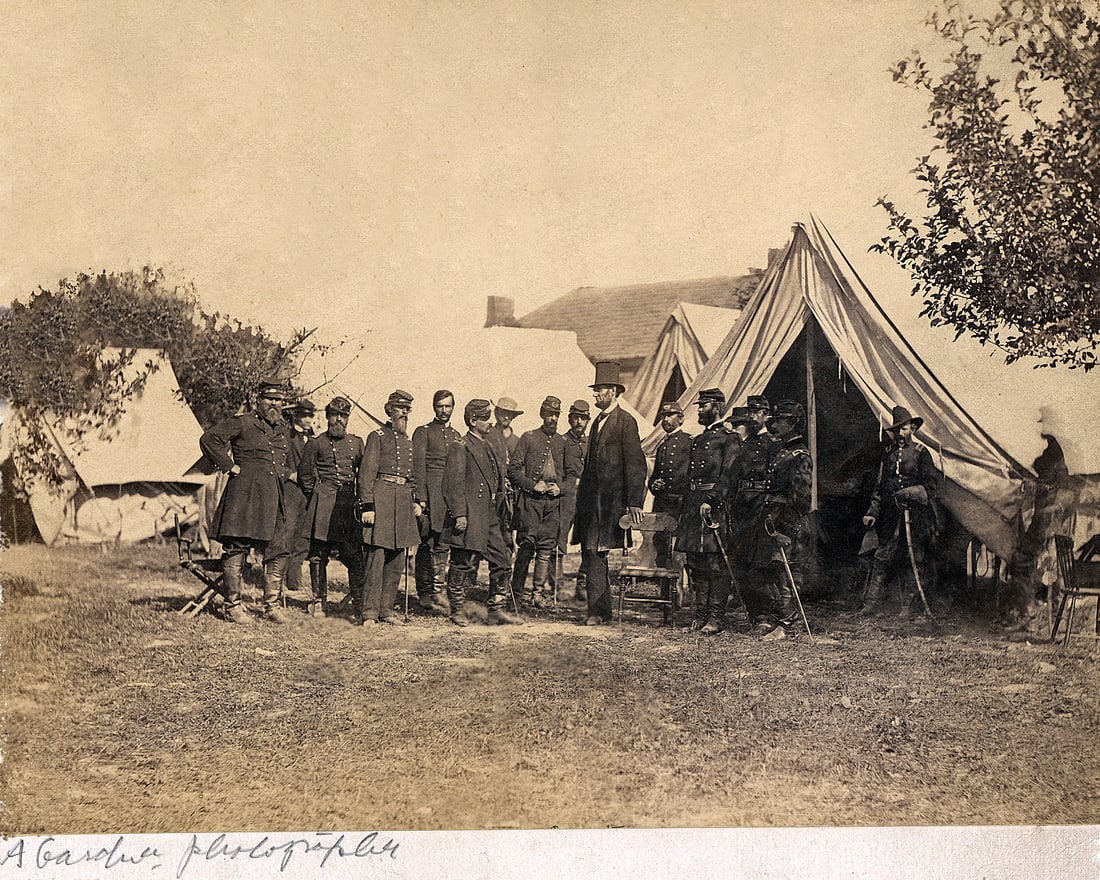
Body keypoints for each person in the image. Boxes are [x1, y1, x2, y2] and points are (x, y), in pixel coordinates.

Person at [199, 379, 292, 624]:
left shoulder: (282, 429)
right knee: (236, 548)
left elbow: (280, 463)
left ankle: (271, 606)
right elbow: (209, 439)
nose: (274, 404)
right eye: (269, 399)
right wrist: (229, 465)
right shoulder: (243, 422)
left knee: (279, 549)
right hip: (244, 497)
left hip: (272, 498)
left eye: (278, 400)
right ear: (258, 400)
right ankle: (233, 607)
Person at [571, 361, 647, 626]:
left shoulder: (625, 422)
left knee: (596, 552)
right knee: (591, 552)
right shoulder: (596, 422)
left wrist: (634, 502)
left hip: (610, 503)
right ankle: (600, 611)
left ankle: (597, 612)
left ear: (613, 391)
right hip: (590, 502)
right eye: (595, 390)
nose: (595, 394)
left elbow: (636, 464)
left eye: (599, 389)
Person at [441, 399, 521, 626]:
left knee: (502, 559)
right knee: (462, 562)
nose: (490, 422)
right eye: (485, 418)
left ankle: (496, 610)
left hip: (490, 515)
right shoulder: (461, 446)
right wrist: (459, 514)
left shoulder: (488, 445)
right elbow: (452, 484)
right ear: (473, 420)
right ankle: (457, 610)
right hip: (470, 515)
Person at [861, 405, 939, 619]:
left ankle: (907, 606)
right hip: (890, 515)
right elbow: (880, 487)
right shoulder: (888, 454)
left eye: (903, 429)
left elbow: (931, 488)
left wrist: (911, 492)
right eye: (896, 430)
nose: (900, 434)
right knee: (882, 556)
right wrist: (872, 512)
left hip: (915, 515)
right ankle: (871, 603)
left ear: (912, 429)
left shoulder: (922, 453)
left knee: (912, 557)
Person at [676, 389, 739, 634]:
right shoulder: (698, 439)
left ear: (717, 407)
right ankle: (700, 616)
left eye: (704, 406)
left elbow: (729, 475)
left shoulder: (729, 438)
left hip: (714, 507)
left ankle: (715, 618)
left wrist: (712, 500)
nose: (700, 410)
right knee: (696, 563)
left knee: (716, 564)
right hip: (694, 507)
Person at [357, 390, 422, 626]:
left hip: (402, 503)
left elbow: (412, 477)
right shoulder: (377, 436)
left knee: (396, 560)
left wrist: (416, 501)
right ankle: (369, 613)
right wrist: (368, 506)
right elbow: (366, 474)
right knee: (376, 560)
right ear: (389, 410)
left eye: (407, 409)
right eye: (400, 408)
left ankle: (386, 610)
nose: (404, 413)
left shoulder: (408, 441)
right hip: (381, 500)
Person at [298, 397, 365, 617]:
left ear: (348, 418)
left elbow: (364, 474)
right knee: (319, 555)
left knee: (353, 555)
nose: (338, 420)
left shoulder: (357, 443)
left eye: (343, 415)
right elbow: (305, 476)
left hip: (347, 506)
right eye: (334, 414)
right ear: (327, 417)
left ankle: (359, 602)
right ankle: (319, 601)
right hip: (324, 505)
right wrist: (318, 496)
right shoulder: (316, 443)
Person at [724, 397, 784, 636]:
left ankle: (767, 617)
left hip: (761, 508)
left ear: (766, 416)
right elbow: (733, 476)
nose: (751, 416)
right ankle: (754, 615)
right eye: (749, 412)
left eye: (756, 412)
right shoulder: (745, 444)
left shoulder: (774, 444)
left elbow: (778, 480)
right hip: (741, 509)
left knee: (759, 564)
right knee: (740, 563)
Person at [757, 400, 814, 639]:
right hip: (774, 519)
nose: (775, 425)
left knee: (787, 573)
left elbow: (801, 499)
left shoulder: (799, 455)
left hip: (789, 523)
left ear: (791, 424)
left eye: (780, 420)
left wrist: (785, 529)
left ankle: (789, 626)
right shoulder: (783, 452)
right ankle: (782, 619)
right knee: (777, 571)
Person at [509, 396, 566, 607]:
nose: (553, 419)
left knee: (545, 549)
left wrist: (561, 488)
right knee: (526, 547)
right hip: (531, 502)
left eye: (556, 415)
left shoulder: (562, 441)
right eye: (549, 414)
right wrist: (532, 485)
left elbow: (572, 475)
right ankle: (516, 594)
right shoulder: (529, 437)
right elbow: (513, 470)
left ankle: (538, 594)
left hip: (553, 503)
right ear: (542, 415)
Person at [412, 390, 462, 614]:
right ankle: (424, 592)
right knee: (426, 544)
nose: (444, 410)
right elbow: (418, 467)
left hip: (448, 496)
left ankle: (438, 590)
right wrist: (421, 498)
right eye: (440, 406)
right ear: (434, 407)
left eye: (447, 406)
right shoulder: (423, 432)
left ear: (453, 408)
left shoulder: (456, 436)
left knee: (443, 544)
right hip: (430, 495)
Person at [649, 400, 692, 569]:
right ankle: (663, 581)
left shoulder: (689, 442)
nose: (666, 419)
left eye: (670, 415)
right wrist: (654, 485)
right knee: (660, 544)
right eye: (663, 416)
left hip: (679, 504)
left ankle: (680, 583)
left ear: (681, 419)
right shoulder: (662, 446)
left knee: (679, 549)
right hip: (662, 504)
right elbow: (653, 476)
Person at [280, 399, 315, 593]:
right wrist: (289, 474)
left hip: (307, 493)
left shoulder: (313, 438)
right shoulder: (286, 436)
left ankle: (294, 580)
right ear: (297, 416)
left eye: (311, 416)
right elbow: (275, 462)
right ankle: (278, 579)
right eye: (305, 416)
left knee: (303, 536)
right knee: (288, 533)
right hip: (291, 491)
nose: (308, 420)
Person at [557, 399, 590, 603]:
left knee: (588, 540)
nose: (579, 422)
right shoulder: (561, 441)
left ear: (588, 420)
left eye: (583, 418)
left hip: (586, 497)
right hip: (566, 497)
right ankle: (557, 584)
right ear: (570, 419)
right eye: (576, 418)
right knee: (559, 538)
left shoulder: (591, 443)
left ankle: (582, 584)